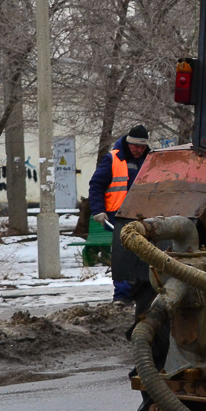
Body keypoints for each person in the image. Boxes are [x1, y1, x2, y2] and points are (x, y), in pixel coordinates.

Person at [88, 124, 152, 312]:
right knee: (124, 258)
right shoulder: (113, 159)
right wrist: (98, 210)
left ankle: (140, 295)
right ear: (128, 143)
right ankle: (122, 297)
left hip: (142, 217)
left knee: (143, 257)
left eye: (142, 147)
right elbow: (96, 185)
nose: (139, 150)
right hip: (119, 217)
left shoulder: (149, 160)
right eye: (135, 147)